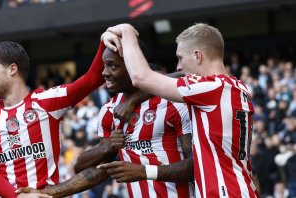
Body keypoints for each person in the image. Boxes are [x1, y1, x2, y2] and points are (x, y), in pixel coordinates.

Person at [17, 41, 194, 198]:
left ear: (134, 66)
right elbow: (99, 170)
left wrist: (144, 172)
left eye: (112, 66)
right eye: (104, 66)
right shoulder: (109, 111)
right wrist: (50, 192)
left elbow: (195, 165)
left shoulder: (173, 101)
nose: (104, 73)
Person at [101, 23, 259, 197]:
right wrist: (135, 98)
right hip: (240, 187)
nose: (178, 67)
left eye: (180, 58)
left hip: (224, 192)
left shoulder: (212, 88)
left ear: (197, 56)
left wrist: (127, 31)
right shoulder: (236, 87)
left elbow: (141, 78)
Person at [0, 41, 105, 198]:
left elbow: (93, 78)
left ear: (12, 69)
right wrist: (18, 197)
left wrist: (105, 42)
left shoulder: (45, 101)